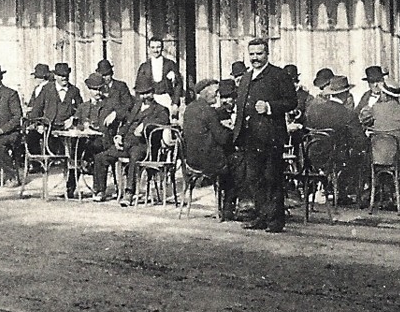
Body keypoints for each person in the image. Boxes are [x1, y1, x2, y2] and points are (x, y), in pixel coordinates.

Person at [233, 37, 297, 233]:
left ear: (267, 54)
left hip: (271, 137)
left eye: (259, 54)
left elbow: (291, 101)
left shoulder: (278, 75)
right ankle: (261, 217)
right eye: (252, 54)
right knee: (254, 179)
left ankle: (275, 221)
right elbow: (241, 107)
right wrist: (238, 134)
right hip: (250, 137)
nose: (255, 58)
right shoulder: (246, 77)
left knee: (272, 178)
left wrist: (270, 107)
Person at [182, 79, 239, 220]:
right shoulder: (209, 111)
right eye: (215, 92)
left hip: (191, 161)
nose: (217, 96)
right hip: (207, 162)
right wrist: (232, 130)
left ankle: (224, 206)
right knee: (238, 161)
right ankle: (228, 208)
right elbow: (223, 139)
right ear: (205, 92)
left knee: (229, 160)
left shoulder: (190, 108)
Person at [114, 75, 172, 204]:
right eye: (141, 94)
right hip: (127, 144)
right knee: (102, 156)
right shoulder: (136, 107)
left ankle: (129, 192)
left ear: (153, 92)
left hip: (145, 148)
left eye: (147, 93)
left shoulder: (161, 109)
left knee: (134, 156)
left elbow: (163, 121)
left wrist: (145, 125)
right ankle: (99, 190)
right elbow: (127, 123)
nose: (144, 96)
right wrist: (119, 135)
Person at [302, 75, 366, 189]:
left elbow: (307, 129)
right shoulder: (348, 114)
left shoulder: (314, 109)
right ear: (346, 94)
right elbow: (359, 139)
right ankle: (347, 189)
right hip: (337, 157)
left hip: (313, 153)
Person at [136, 38, 184, 113]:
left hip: (166, 99)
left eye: (158, 47)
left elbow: (178, 84)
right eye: (152, 47)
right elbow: (138, 86)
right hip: (150, 101)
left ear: (162, 48)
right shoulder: (144, 66)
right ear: (149, 48)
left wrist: (175, 103)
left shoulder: (170, 64)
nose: (155, 50)